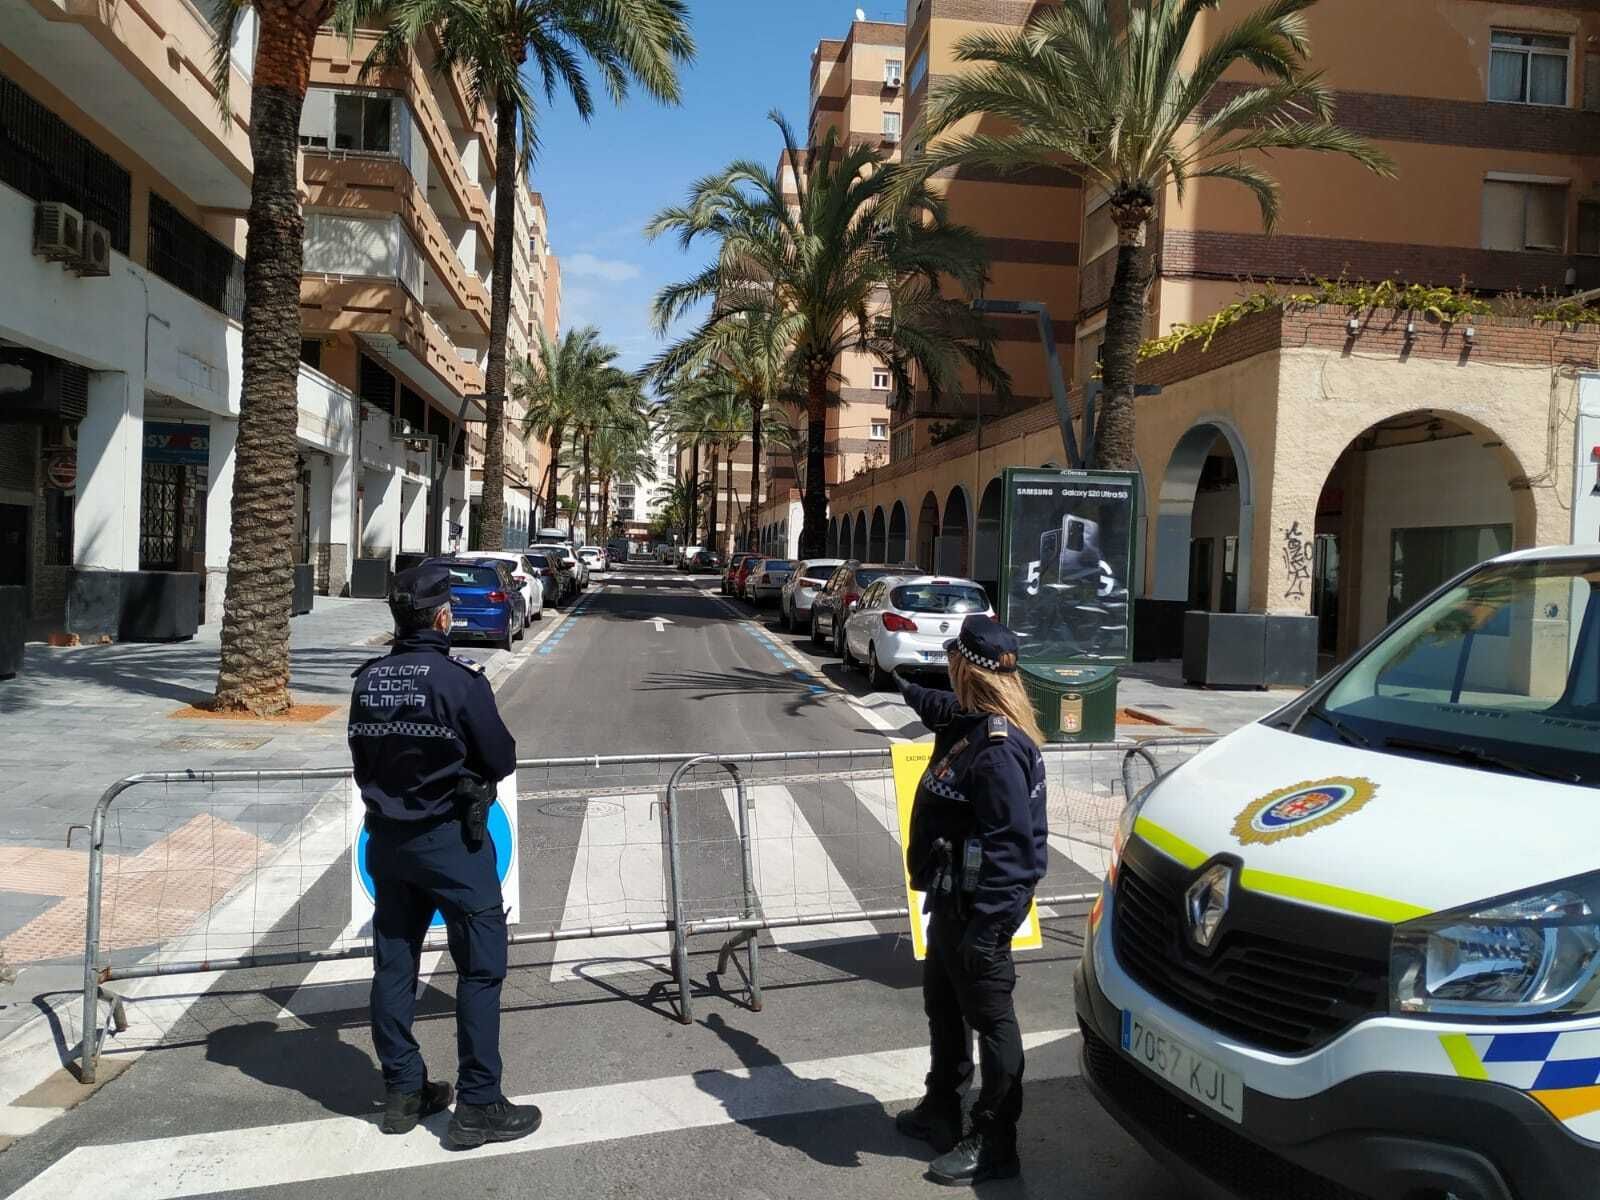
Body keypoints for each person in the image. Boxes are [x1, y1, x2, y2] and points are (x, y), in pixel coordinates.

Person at [348, 560, 541, 1148]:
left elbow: (360, 759)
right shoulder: (459, 682)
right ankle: (479, 1104)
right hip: (451, 842)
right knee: (481, 968)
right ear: (441, 617)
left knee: (394, 964)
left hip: (387, 842)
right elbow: (500, 757)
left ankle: (404, 1090)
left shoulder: (367, 681)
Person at [893, 615, 1048, 1185]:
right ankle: (942, 1107)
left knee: (992, 1020)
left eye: (951, 660)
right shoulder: (968, 722)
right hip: (950, 901)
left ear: (965, 668)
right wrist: (902, 680)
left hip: (980, 911)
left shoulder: (997, 752)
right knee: (942, 1005)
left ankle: (995, 1141)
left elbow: (1017, 856)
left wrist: (989, 931)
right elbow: (934, 705)